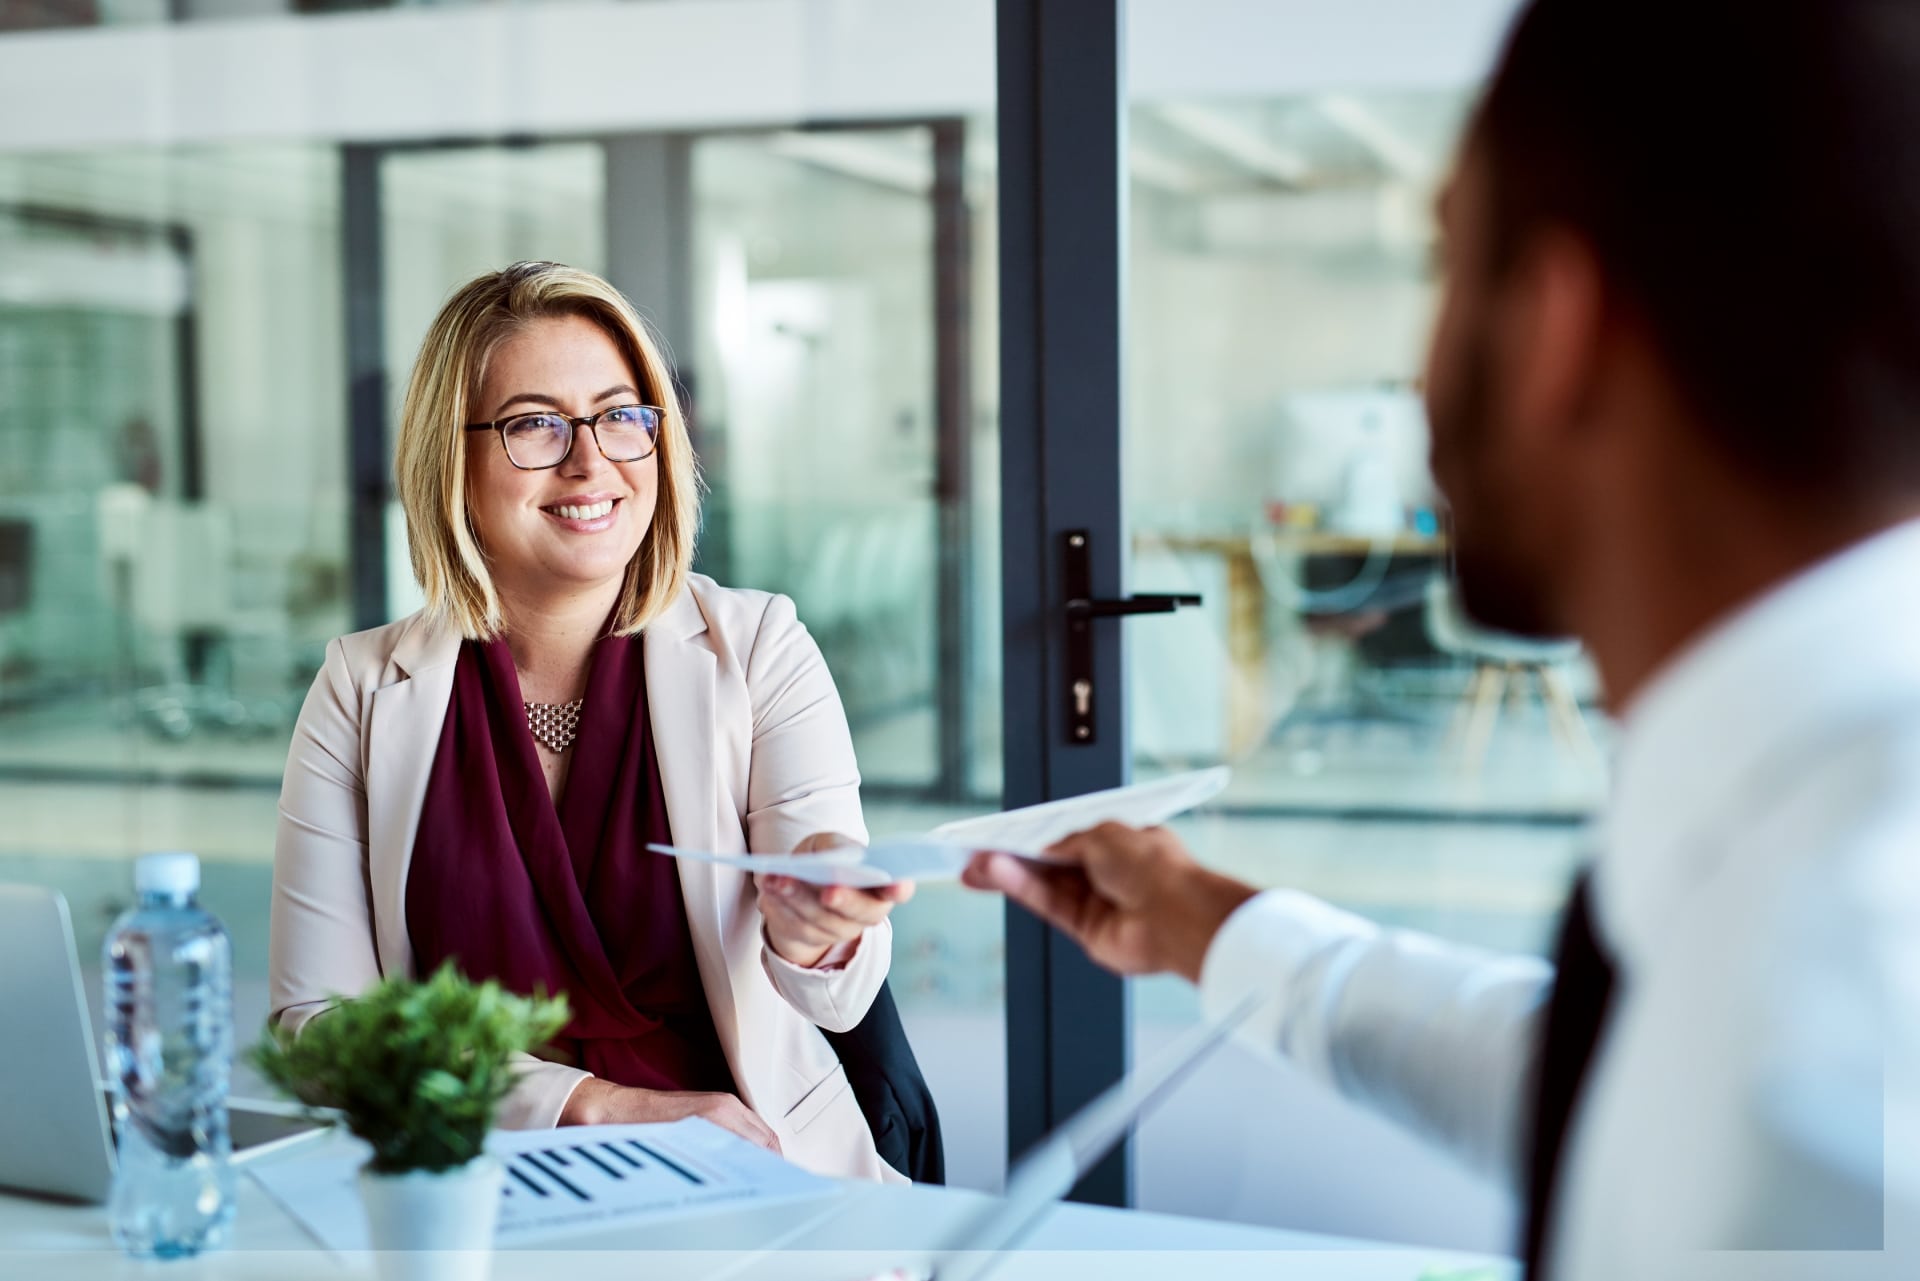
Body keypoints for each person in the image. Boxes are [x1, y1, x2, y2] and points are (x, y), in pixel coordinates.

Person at [967, 0, 1920, 1276]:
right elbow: (1615, 1094)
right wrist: (1207, 919)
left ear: (1551, 328)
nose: (1419, 380)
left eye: (1447, 271)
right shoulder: (1801, 889)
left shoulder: (1843, 999)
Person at [268, 261, 913, 1181]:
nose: (591, 460)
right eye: (536, 423)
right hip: (479, 1176)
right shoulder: (363, 688)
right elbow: (320, 1028)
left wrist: (818, 929)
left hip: (757, 1167)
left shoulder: (760, 647)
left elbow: (844, 996)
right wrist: (592, 1108)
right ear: (451, 458)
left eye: (622, 415)